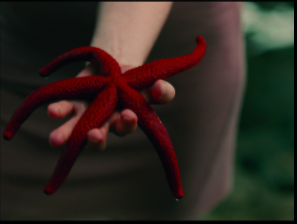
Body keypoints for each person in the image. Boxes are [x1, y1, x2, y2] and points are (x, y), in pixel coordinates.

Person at [0, 2, 246, 220]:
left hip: (171, 39)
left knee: (161, 172)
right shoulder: (102, 68)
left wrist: (118, 51)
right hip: (22, 40)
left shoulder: (108, 69)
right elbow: (84, 59)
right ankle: (23, 143)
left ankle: (175, 188)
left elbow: (92, 56)